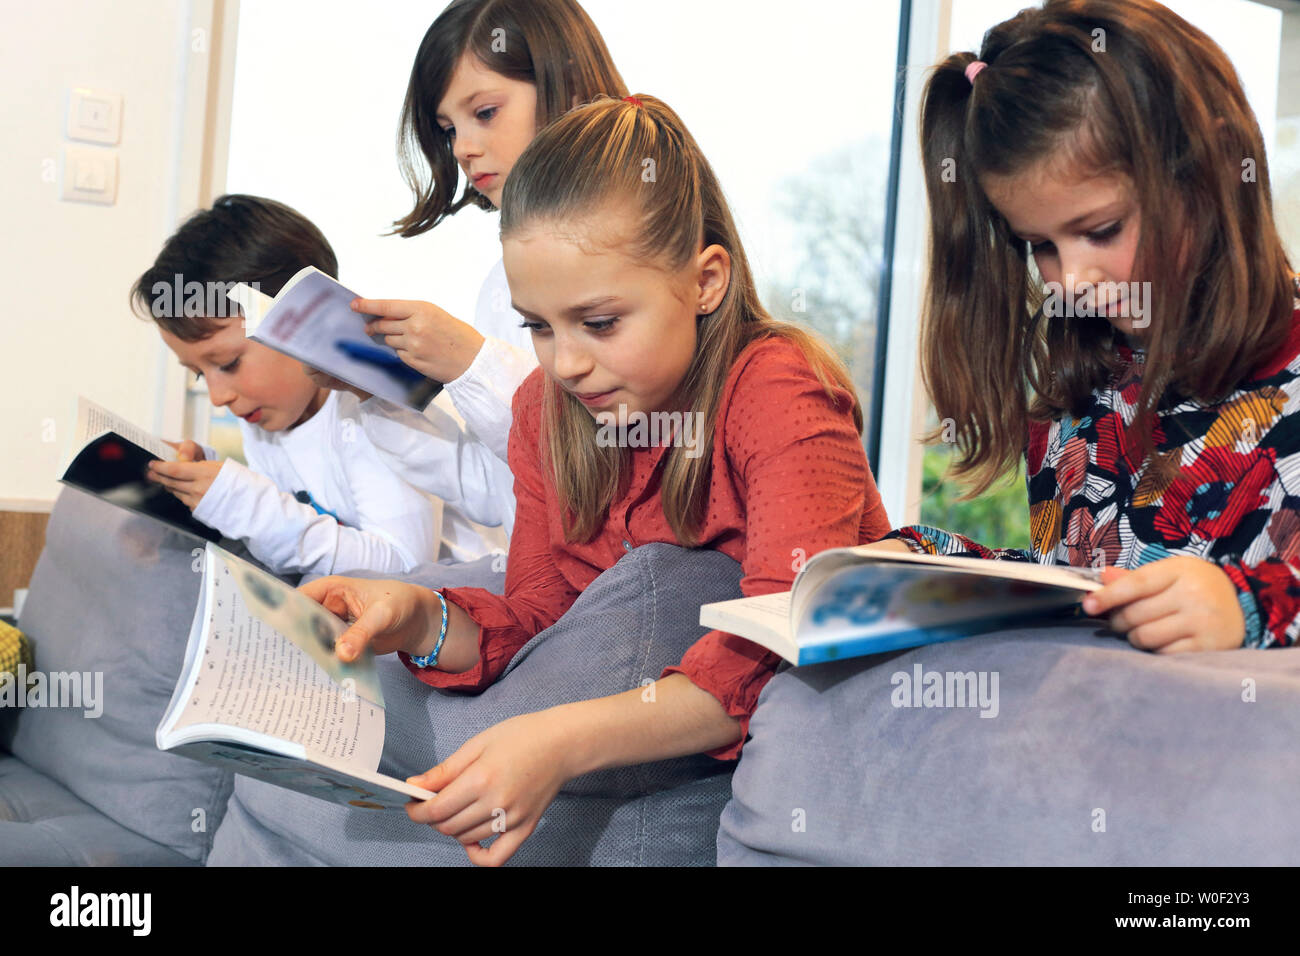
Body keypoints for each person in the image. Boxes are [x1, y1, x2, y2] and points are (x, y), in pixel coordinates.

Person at [302, 94, 893, 865]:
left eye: (601, 322)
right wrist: (419, 619)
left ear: (706, 281)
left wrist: (556, 740)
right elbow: (538, 620)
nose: (566, 362)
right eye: (538, 326)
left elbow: (780, 644)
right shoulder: (545, 413)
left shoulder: (777, 391)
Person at [871, 0, 1299, 652]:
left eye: (1100, 230)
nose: (1069, 280)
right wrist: (928, 563)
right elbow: (1080, 592)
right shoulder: (1081, 386)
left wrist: (1248, 609)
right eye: (1040, 245)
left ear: (1213, 169)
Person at [316, 0, 630, 516]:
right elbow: (499, 493)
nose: (462, 147)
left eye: (484, 112)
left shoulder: (638, 256)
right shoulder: (498, 285)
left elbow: (617, 470)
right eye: (448, 129)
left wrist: (472, 364)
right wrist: (378, 395)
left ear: (567, 88)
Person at [132, 195, 498, 576]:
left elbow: (404, 569)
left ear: (307, 320)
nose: (219, 396)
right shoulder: (267, 417)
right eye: (198, 373)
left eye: (228, 364)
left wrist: (243, 502)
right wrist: (212, 480)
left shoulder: (377, 409)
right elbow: (298, 519)